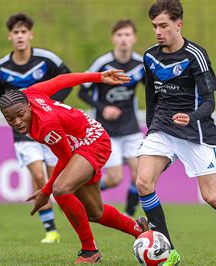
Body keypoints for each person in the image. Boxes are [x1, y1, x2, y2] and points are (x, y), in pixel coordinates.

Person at [136, 1, 216, 265]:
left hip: (197, 131)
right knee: (143, 182)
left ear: (179, 25)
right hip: (162, 129)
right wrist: (150, 129)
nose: (158, 31)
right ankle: (169, 251)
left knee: (211, 197)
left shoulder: (195, 56)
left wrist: (190, 116)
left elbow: (210, 103)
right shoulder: (149, 56)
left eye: (164, 26)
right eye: (154, 26)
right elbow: (150, 96)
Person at [0, 70, 149, 264]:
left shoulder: (46, 126)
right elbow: (62, 80)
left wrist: (46, 190)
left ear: (28, 106)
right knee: (95, 212)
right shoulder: (29, 93)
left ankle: (89, 251)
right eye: (10, 119)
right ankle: (140, 231)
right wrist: (97, 77)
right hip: (81, 142)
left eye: (20, 115)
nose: (17, 122)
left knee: (61, 189)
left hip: (92, 142)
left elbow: (65, 159)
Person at [0, 13, 72, 244]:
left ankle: (75, 221)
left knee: (57, 182)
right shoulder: (0, 68)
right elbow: (0, 97)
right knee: (38, 175)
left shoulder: (46, 59)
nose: (20, 36)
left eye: (23, 32)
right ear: (10, 36)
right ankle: (51, 230)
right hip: (23, 132)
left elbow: (65, 79)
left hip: (49, 127)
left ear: (30, 34)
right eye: (15, 32)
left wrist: (52, 106)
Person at [78, 19, 145, 217]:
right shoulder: (103, 63)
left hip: (131, 128)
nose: (123, 39)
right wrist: (103, 107)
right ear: (113, 39)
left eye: (127, 35)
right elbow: (82, 92)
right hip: (106, 129)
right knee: (115, 178)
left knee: (140, 176)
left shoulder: (141, 64)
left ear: (134, 38)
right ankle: (84, 193)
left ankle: (130, 213)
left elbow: (152, 90)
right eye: (119, 35)